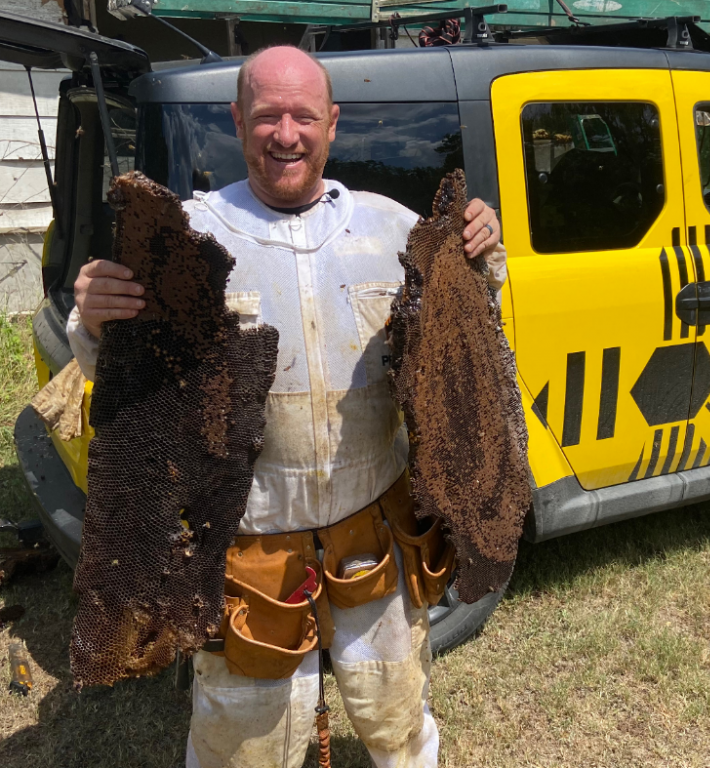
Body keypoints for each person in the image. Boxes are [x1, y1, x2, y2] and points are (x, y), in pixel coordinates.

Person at [67, 46, 507, 768]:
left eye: (304, 116)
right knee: (243, 743)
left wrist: (483, 255)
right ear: (238, 121)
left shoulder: (392, 228)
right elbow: (121, 380)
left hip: (375, 535)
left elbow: (466, 341)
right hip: (248, 547)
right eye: (267, 115)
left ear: (332, 123)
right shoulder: (186, 237)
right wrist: (94, 319)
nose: (286, 134)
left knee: (397, 718)